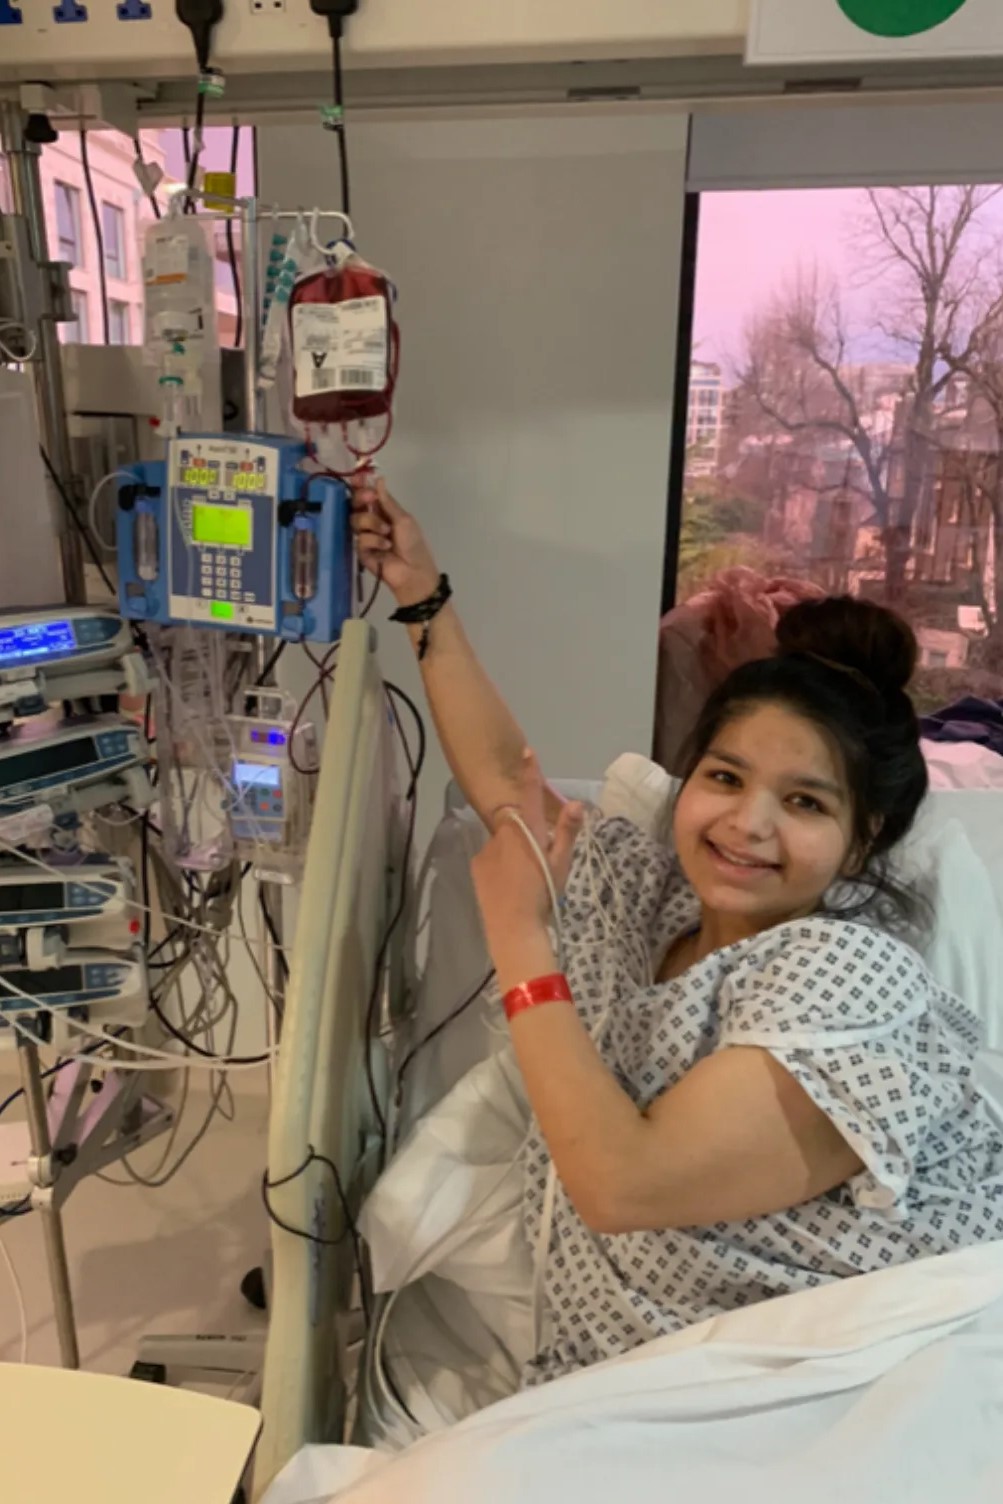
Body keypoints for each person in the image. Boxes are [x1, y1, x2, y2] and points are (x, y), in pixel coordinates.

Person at [352, 475, 1003, 1387]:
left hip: (837, 1379)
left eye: (804, 801)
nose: (747, 826)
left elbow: (626, 1186)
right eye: (726, 778)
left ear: (861, 844)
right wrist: (421, 594)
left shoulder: (848, 976)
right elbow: (507, 781)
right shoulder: (648, 895)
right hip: (631, 1369)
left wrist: (520, 942)